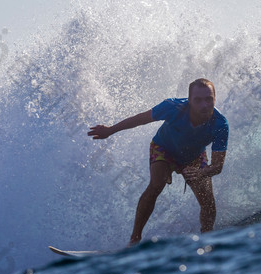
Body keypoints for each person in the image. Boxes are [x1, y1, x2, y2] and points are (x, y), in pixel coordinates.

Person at [88, 78, 229, 245]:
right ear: (189, 100)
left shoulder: (220, 124)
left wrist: (201, 172)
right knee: (157, 183)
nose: (204, 105)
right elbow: (139, 119)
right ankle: (134, 239)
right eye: (198, 100)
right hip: (164, 149)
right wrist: (110, 130)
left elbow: (218, 166)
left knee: (208, 202)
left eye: (209, 99)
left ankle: (207, 239)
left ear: (215, 98)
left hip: (194, 157)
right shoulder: (172, 107)